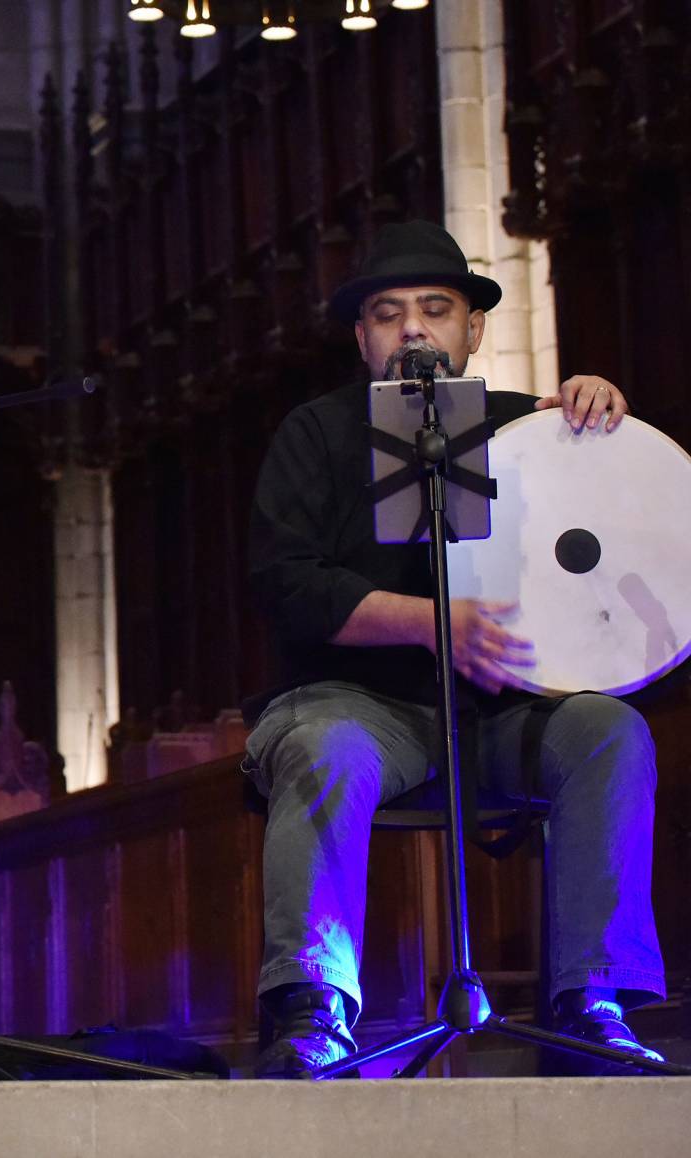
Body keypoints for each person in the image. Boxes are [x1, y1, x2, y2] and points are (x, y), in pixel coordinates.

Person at [245, 220, 666, 1077]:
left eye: (436, 310)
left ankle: (593, 1001)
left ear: (472, 330)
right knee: (325, 749)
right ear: (361, 337)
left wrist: (597, 415)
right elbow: (288, 587)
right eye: (388, 313)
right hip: (358, 704)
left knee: (610, 732)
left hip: (505, 709)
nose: (412, 330)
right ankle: (314, 1008)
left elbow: (618, 537)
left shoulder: (529, 430)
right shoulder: (316, 435)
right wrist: (431, 623)